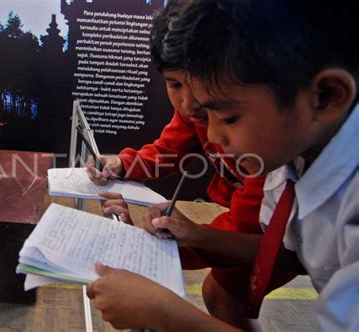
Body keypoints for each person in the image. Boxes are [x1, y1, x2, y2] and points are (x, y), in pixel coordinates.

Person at [87, 0, 359, 330]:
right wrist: (194, 235)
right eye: (176, 84)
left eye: (228, 117)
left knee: (221, 294)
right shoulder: (289, 153)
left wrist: (168, 315)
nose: (212, 133)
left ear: (326, 96)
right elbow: (290, 252)